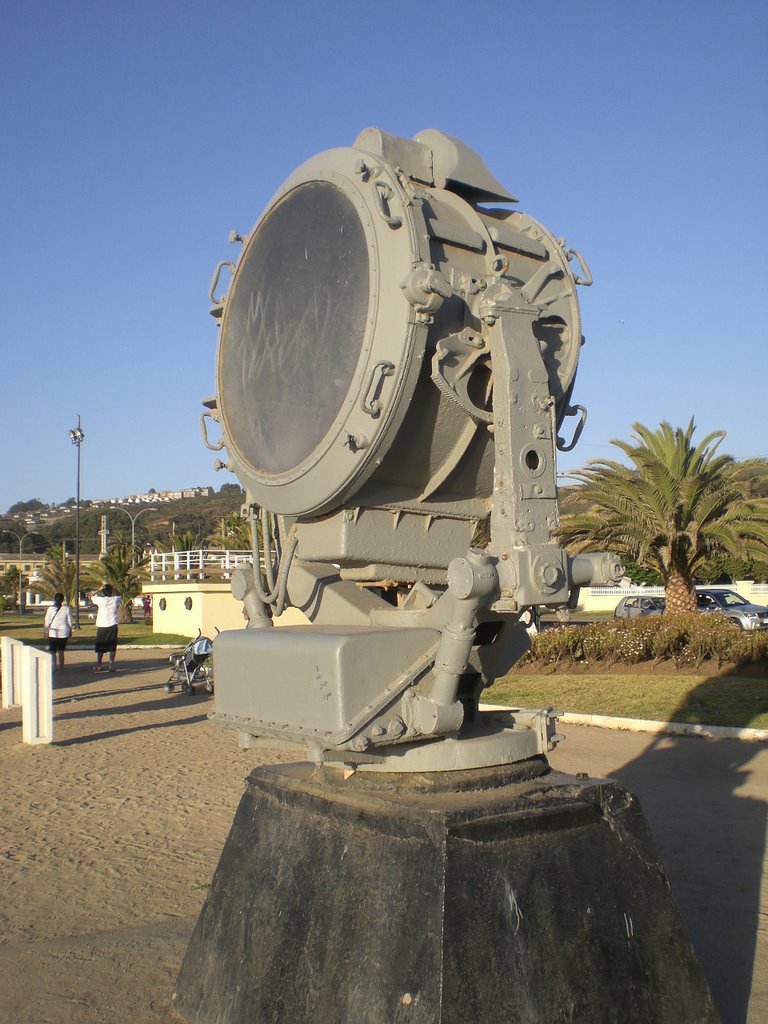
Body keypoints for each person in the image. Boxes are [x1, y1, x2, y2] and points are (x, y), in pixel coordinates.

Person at [88, 583, 122, 671]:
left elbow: (90, 596)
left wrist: (98, 589)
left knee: (100, 646)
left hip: (102, 625)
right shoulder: (115, 599)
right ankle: (111, 665)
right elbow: (120, 594)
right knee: (112, 647)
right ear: (111, 592)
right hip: (112, 625)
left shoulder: (100, 600)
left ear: (103, 592)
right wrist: (114, 588)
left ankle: (99, 664)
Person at [44, 592, 73, 671]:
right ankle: (61, 667)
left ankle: (54, 666)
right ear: (62, 600)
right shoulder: (66, 608)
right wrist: (70, 629)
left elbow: (47, 621)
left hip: (53, 632)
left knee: (53, 651)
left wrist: (46, 631)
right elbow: (70, 620)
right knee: (61, 651)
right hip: (63, 632)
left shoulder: (50, 609)